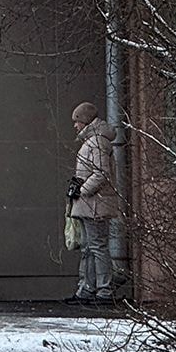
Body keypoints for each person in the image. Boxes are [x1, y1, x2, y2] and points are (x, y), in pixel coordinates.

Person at [66, 101, 119, 304]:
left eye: (77, 121)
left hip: (95, 203)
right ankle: (88, 289)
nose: (75, 125)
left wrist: (82, 190)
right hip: (91, 202)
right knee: (89, 247)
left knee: (96, 246)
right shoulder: (94, 142)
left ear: (86, 121)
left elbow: (101, 173)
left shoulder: (96, 142)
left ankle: (102, 290)